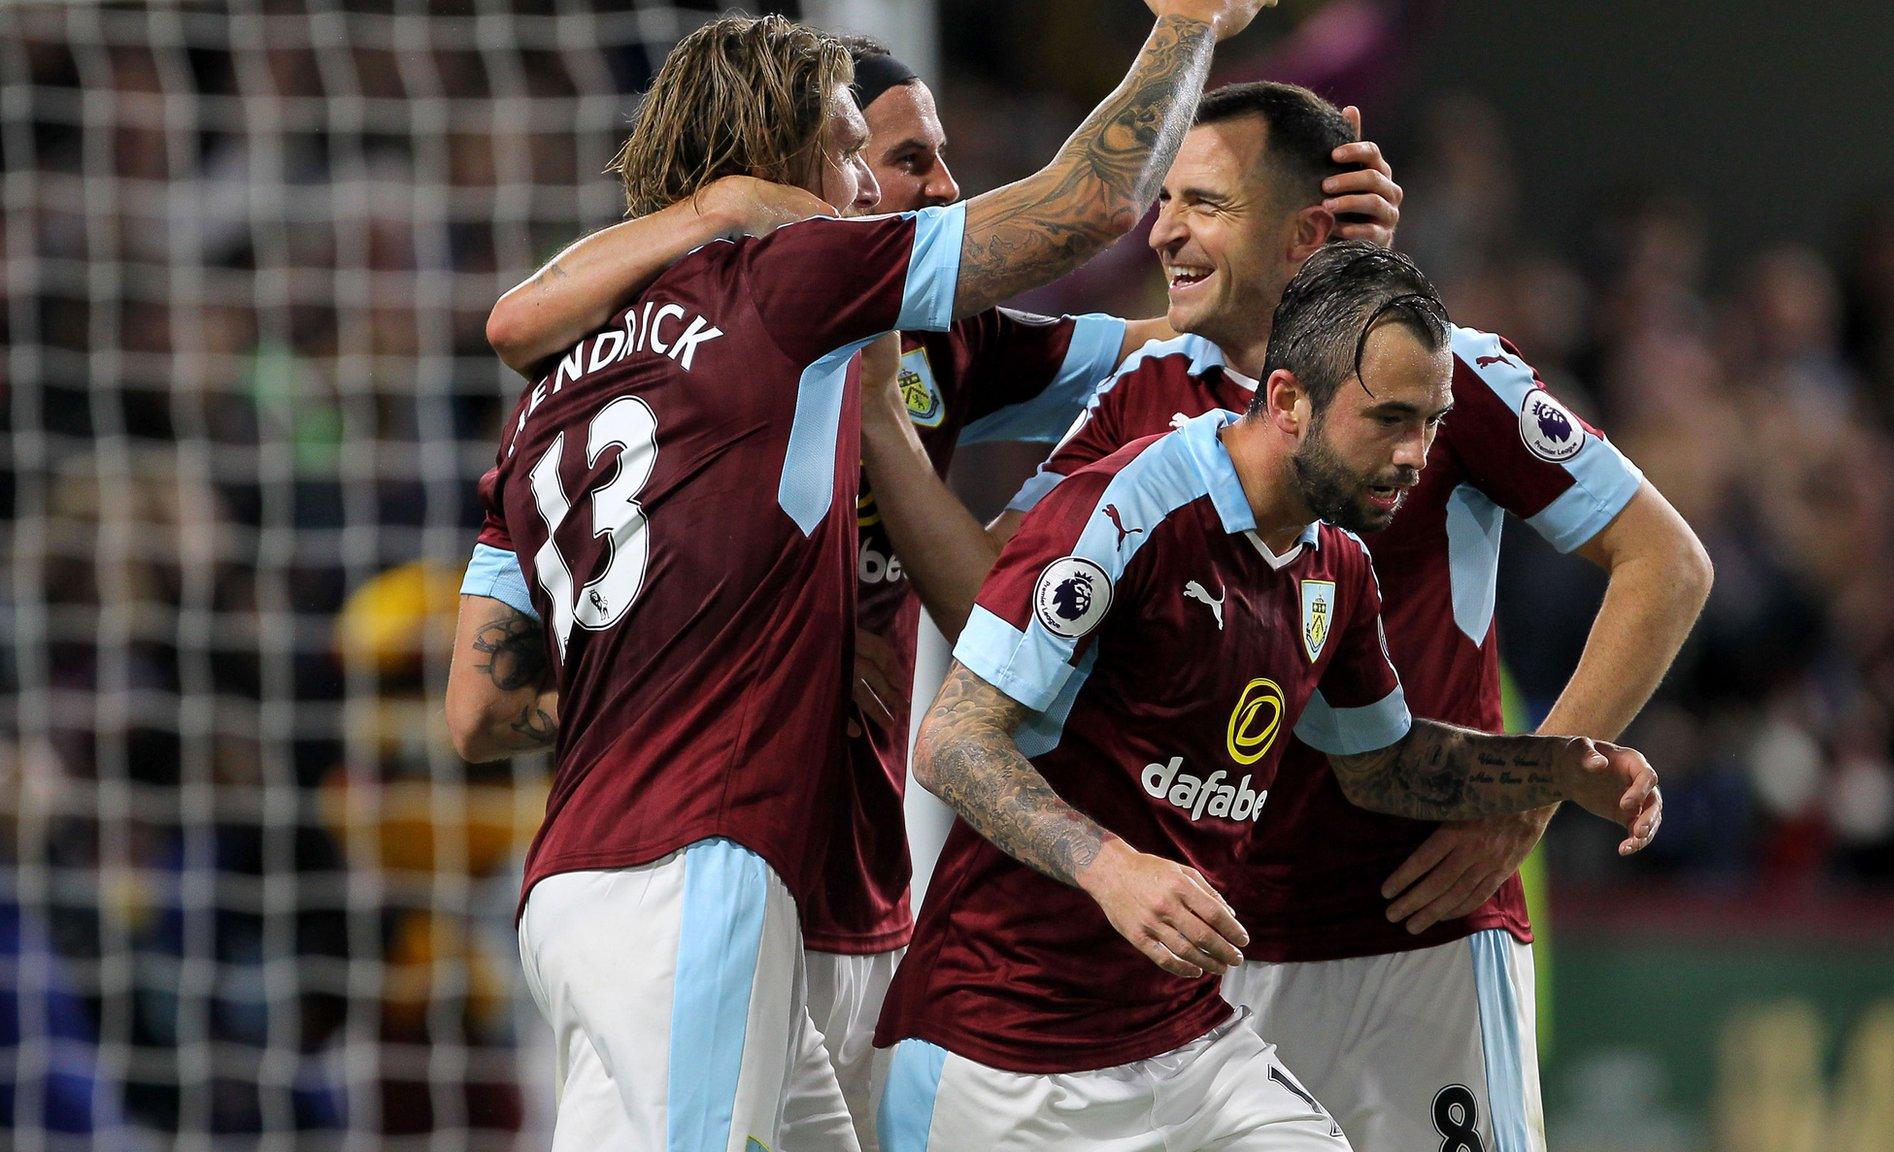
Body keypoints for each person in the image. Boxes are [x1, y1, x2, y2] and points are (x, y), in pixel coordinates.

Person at [465, 34, 1403, 1151]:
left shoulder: (545, 405)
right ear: (776, 166)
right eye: (861, 152)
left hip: (605, 870)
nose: (880, 187)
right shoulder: (798, 279)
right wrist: (1184, 25)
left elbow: (480, 709)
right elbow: (1088, 202)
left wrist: (1310, 275)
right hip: (701, 862)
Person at [857, 82, 1712, 1151]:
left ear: (1302, 227)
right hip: (1208, 955)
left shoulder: (1443, 384)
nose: (1160, 228)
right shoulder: (1142, 407)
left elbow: (1663, 563)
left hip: (1416, 930)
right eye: (1164, 198)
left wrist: (1530, 792)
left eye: (1202, 203)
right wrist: (881, 420)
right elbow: (997, 617)